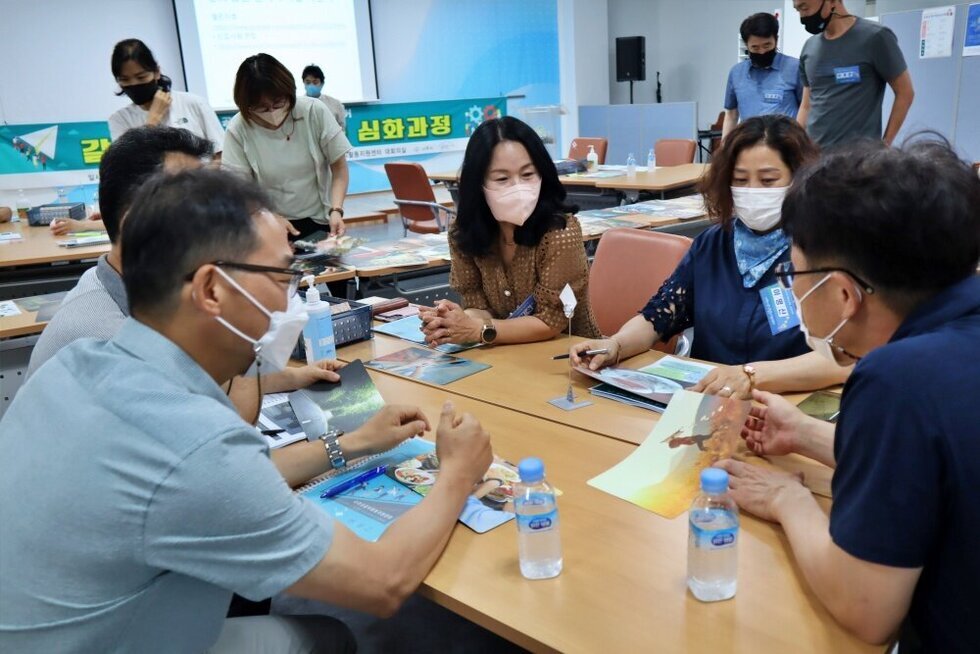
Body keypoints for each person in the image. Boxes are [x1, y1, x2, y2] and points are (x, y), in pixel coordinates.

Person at [0, 168, 493, 652]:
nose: (292, 295)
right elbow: (382, 582)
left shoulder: (80, 363)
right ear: (212, 290)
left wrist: (355, 442)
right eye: (282, 274)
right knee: (331, 637)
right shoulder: (190, 440)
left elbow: (228, 476)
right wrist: (457, 472)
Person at [716, 138, 980, 651]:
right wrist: (807, 434)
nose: (794, 288)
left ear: (842, 293)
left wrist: (786, 498)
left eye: (796, 273)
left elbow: (865, 609)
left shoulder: (897, 379)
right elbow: (943, 465)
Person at [26, 127, 338, 433]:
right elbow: (213, 463)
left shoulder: (119, 287)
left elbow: (203, 383)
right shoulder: (112, 341)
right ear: (138, 224)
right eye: (193, 200)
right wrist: (342, 449)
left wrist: (291, 378)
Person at [570, 115, 850, 398]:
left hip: (787, 403)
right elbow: (658, 316)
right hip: (710, 403)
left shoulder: (822, 248)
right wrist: (615, 345)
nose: (752, 191)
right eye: (740, 180)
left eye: (768, 181)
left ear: (799, 179)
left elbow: (845, 359)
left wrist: (750, 376)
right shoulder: (713, 244)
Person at [420, 116, 600, 347]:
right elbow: (478, 307)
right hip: (505, 355)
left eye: (527, 175)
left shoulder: (560, 232)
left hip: (568, 356)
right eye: (502, 178)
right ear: (479, 183)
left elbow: (550, 323)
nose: (518, 187)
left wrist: (479, 330)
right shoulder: (465, 232)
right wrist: (454, 321)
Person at [223, 53, 350, 239]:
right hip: (268, 225)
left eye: (278, 103)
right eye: (262, 108)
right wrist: (270, 218)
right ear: (246, 105)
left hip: (320, 219)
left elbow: (339, 168)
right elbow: (238, 189)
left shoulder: (313, 111)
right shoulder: (239, 127)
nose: (272, 112)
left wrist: (336, 210)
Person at [793, 0, 914, 147]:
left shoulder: (875, 37)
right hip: (815, 158)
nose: (802, 16)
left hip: (857, 161)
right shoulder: (809, 47)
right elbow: (806, 105)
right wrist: (796, 148)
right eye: (798, 10)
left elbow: (905, 93)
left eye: (804, 7)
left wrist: (885, 145)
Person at [107, 38, 224, 156]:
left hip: (203, 174)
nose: (134, 84)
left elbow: (221, 154)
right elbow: (127, 164)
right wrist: (153, 119)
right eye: (125, 80)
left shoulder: (193, 103)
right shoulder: (119, 119)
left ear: (156, 72)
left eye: (141, 77)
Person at [722, 13, 804, 140]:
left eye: (767, 45)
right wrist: (725, 148)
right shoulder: (736, 73)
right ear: (746, 45)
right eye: (755, 47)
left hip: (786, 147)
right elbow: (731, 115)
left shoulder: (794, 68)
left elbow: (807, 108)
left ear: (776, 40)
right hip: (749, 146)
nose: (762, 51)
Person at [302, 64, 347, 131]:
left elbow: (342, 129)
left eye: (315, 82)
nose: (311, 85)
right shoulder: (298, 104)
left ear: (322, 83)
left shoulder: (335, 104)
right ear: (304, 83)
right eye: (308, 82)